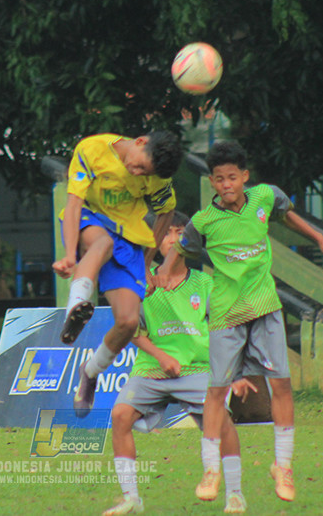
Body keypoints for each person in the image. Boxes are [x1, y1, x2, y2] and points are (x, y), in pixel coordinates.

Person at [159, 140, 323, 510]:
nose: (226, 184)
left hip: (265, 309)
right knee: (216, 392)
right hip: (227, 316)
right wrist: (162, 273)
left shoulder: (265, 197)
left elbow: (288, 215)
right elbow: (178, 250)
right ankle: (210, 470)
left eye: (233, 177)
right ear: (212, 182)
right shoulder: (203, 222)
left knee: (281, 385)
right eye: (219, 179)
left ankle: (283, 465)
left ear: (244, 177)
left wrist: (321, 239)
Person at [51, 131, 183, 417]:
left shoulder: (157, 178)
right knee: (102, 244)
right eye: (138, 166)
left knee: (128, 321)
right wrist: (70, 255)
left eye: (143, 173)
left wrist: (149, 262)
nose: (136, 172)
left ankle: (90, 373)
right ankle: (75, 308)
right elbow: (73, 203)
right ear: (140, 142)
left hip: (129, 237)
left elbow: (166, 213)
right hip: (90, 218)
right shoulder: (92, 149)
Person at [104, 211, 213, 515]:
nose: (175, 239)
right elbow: (133, 331)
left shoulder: (206, 283)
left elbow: (223, 331)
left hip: (197, 368)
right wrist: (163, 356)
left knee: (219, 423)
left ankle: (225, 487)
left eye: (181, 232)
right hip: (151, 368)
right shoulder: (141, 281)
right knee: (121, 415)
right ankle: (131, 499)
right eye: (167, 232)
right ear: (152, 239)